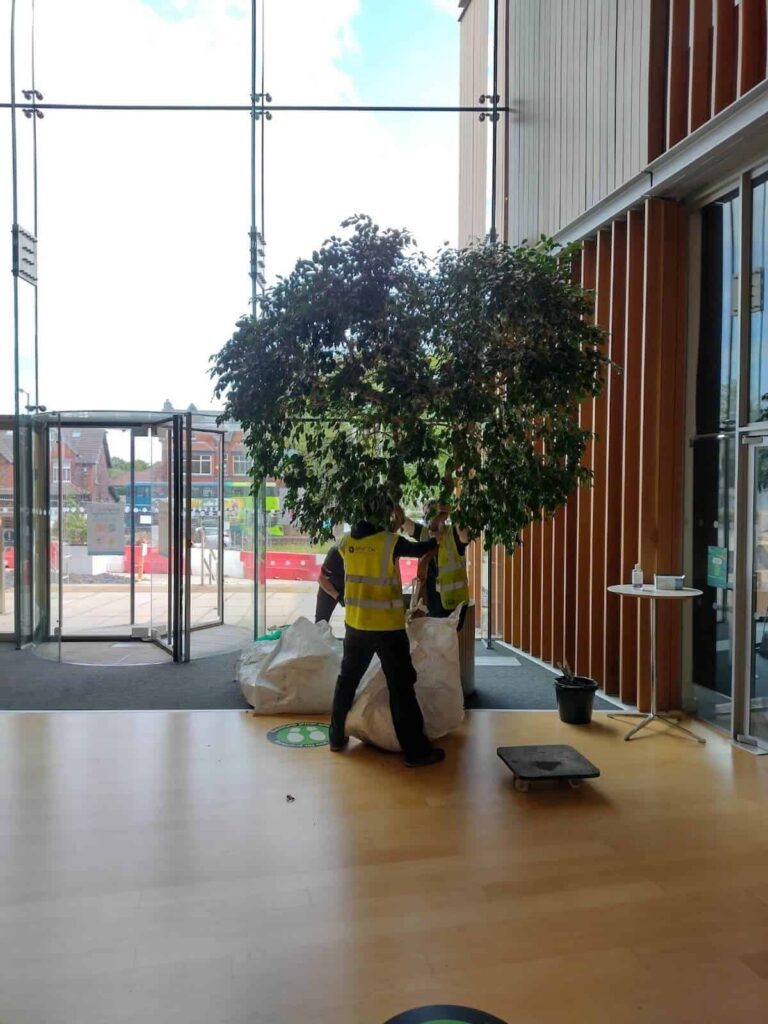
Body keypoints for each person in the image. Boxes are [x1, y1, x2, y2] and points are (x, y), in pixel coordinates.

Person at [329, 503, 445, 767]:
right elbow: (420, 549)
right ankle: (416, 752)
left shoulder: (347, 542)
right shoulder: (389, 542)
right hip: (387, 629)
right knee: (401, 688)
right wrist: (435, 538)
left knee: (346, 680)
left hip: (355, 626)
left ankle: (335, 737)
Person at [406, 502, 470, 627]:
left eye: (433, 513)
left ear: (442, 516)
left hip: (454, 605)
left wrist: (452, 511)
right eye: (426, 515)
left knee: (447, 642)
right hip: (432, 604)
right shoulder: (425, 534)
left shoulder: (453, 534)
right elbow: (405, 523)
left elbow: (465, 535)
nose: (430, 519)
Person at [315, 543, 345, 624]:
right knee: (321, 622)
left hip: (351, 585)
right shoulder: (336, 552)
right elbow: (322, 579)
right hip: (330, 584)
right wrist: (338, 596)